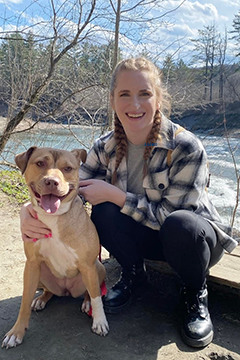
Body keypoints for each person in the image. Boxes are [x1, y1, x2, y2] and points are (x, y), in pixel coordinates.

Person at [20, 57, 238, 348]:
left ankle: (195, 292)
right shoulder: (104, 147)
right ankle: (134, 274)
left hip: (192, 244)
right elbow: (66, 187)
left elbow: (171, 216)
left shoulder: (186, 147)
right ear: (113, 100)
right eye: (124, 94)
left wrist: (117, 196)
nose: (134, 104)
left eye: (144, 94)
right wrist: (30, 210)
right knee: (104, 211)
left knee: (180, 223)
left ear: (158, 99)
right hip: (147, 237)